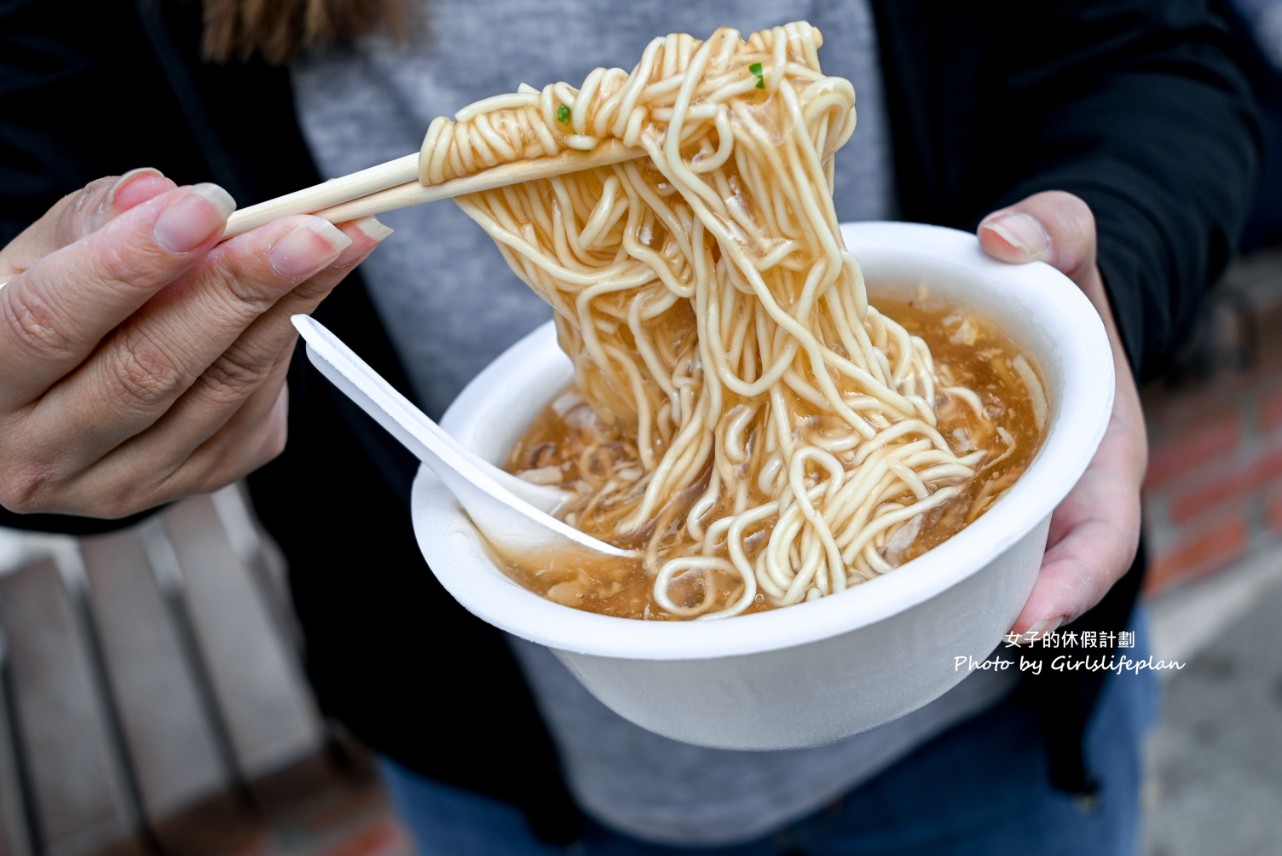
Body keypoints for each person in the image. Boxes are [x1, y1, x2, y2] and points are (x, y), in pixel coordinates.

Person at [0, 1, 1262, 853]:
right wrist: (53, 391)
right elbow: (32, 211)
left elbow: (1155, 48)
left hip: (1002, 709)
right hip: (509, 776)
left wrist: (1102, 257)